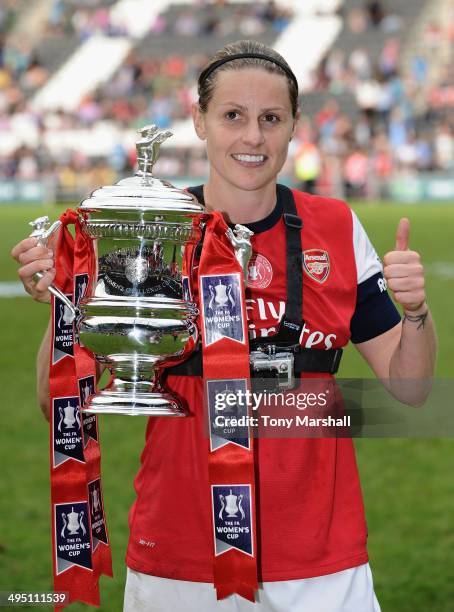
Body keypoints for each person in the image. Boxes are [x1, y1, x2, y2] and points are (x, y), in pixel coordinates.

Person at [11, 40, 437, 612]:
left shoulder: (336, 227)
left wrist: (415, 311)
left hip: (320, 561)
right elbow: (53, 402)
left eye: (270, 118)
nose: (253, 137)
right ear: (199, 122)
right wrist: (64, 303)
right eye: (232, 116)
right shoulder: (151, 233)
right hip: (179, 555)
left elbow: (411, 391)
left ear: (293, 127)